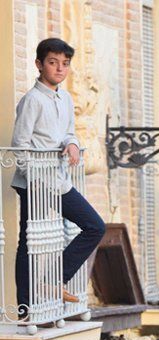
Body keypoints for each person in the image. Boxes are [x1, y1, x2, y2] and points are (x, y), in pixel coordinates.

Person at [11, 38, 105, 311]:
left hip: (58, 179)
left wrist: (72, 143)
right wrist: (35, 179)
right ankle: (25, 309)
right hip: (34, 182)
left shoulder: (65, 98)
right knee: (28, 241)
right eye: (53, 63)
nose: (59, 69)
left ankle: (55, 279)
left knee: (94, 226)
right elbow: (20, 144)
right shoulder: (32, 100)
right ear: (39, 64)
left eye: (65, 64)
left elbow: (67, 132)